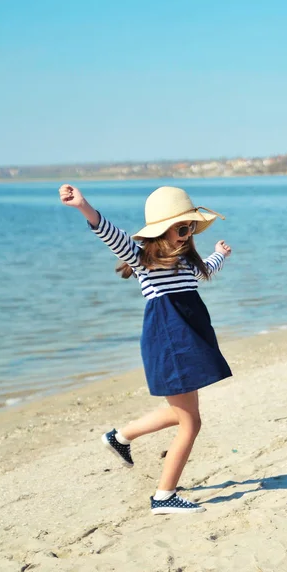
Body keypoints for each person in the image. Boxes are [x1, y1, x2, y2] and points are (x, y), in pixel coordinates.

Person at [58, 183, 232, 515]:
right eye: (181, 228)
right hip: (170, 345)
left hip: (187, 342)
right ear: (161, 230)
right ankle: (164, 497)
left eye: (190, 227)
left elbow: (207, 269)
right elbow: (110, 234)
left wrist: (220, 254)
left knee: (182, 413)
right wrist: (83, 206)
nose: (186, 234)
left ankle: (119, 437)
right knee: (191, 422)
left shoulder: (186, 264)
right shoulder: (142, 262)